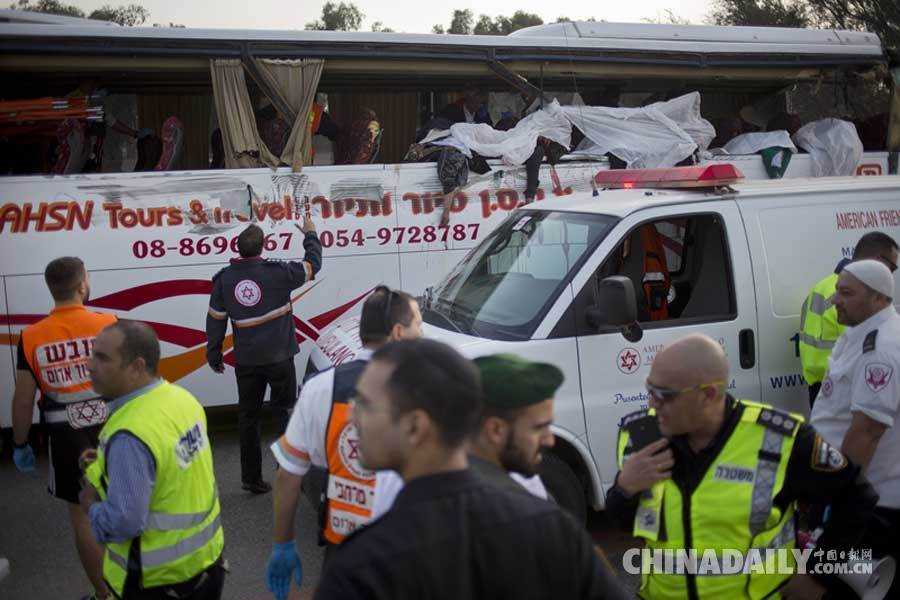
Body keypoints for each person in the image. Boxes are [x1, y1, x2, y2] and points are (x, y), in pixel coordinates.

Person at [315, 339, 628, 600]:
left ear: (415, 426)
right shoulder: (553, 527)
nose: (353, 416)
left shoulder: (362, 566)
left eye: (365, 404)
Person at [606, 333, 877, 600]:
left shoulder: (780, 439)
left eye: (663, 394)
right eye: (649, 389)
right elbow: (627, 523)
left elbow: (856, 498)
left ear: (708, 394)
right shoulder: (640, 434)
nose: (652, 402)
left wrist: (818, 574)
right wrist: (623, 489)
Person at [266, 286, 422, 600]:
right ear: (398, 332)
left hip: (345, 554)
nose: (423, 331)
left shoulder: (320, 387)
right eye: (418, 324)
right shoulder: (429, 387)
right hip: (413, 553)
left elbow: (288, 476)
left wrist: (283, 543)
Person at [81, 321, 225, 600]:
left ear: (136, 366)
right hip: (206, 565)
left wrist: (90, 505)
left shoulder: (130, 435)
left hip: (156, 582)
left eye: (102, 358)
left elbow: (124, 522)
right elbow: (170, 467)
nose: (89, 365)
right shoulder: (182, 399)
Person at [11, 256, 117, 600]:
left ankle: (104, 595)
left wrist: (21, 442)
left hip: (66, 437)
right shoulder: (110, 324)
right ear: (82, 285)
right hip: (117, 428)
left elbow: (24, 399)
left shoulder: (31, 337)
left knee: (83, 516)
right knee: (131, 504)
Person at [205, 217, 322, 494]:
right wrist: (310, 233)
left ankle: (251, 478)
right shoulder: (277, 272)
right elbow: (312, 264)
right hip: (280, 359)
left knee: (248, 419)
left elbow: (215, 320)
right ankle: (287, 475)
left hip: (247, 362)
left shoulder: (224, 280)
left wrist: (215, 354)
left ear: (238, 249)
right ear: (263, 247)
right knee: (284, 414)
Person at [370, 352, 562, 519]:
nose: (550, 440)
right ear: (495, 430)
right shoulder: (522, 497)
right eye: (538, 428)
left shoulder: (397, 471)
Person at [810, 259, 900, 597]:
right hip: (855, 492)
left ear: (878, 298)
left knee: (842, 589)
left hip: (867, 502)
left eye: (846, 293)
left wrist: (835, 498)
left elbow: (866, 433)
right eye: (836, 290)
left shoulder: (880, 349)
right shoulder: (859, 333)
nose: (834, 300)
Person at [800, 232, 898, 405]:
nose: (891, 274)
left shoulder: (822, 286)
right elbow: (865, 350)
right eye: (892, 267)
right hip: (845, 386)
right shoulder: (859, 296)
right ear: (878, 261)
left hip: (819, 385)